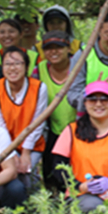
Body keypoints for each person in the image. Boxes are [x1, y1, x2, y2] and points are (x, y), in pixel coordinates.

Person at [52, 80, 108, 214]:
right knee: (93, 206)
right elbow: (58, 167)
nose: (98, 104)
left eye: (104, 99)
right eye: (92, 99)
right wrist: (80, 186)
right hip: (82, 195)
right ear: (85, 103)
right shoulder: (72, 130)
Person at [0, 46, 47, 186]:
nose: (12, 68)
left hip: (32, 143)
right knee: (11, 174)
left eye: (17, 64)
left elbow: (38, 123)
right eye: (7, 64)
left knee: (27, 173)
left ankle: (34, 204)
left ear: (26, 67)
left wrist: (26, 152)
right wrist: (11, 153)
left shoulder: (39, 88)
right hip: (5, 144)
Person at [32, 31, 78, 188]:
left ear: (68, 48)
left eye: (58, 47)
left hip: (78, 128)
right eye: (48, 48)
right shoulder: (40, 69)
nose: (53, 52)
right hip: (53, 129)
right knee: (52, 173)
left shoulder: (79, 66)